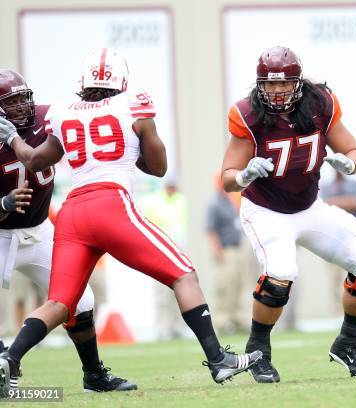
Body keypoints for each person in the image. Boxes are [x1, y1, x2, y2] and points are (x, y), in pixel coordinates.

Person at [0, 49, 261, 397]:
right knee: (183, 273)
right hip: (109, 204)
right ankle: (218, 359)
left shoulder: (61, 112)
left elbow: (33, 159)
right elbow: (159, 167)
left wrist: (12, 138)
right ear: (121, 82)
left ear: (83, 83)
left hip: (71, 214)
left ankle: (11, 358)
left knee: (62, 302)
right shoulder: (133, 105)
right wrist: (135, 140)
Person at [221, 46, 356, 383]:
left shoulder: (319, 104)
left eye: (284, 84)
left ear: (298, 82)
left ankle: (349, 343)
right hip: (265, 210)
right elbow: (227, 177)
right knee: (280, 273)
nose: (277, 91)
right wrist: (244, 175)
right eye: (270, 84)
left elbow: (355, 150)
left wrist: (350, 163)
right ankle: (258, 353)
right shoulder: (249, 115)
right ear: (260, 84)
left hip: (309, 207)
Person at [0, 69, 135, 392]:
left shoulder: (48, 117)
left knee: (82, 300)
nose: (21, 107)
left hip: (38, 228)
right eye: (11, 102)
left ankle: (94, 375)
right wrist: (3, 203)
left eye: (23, 98)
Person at [141, 178, 189, 339]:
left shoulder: (180, 199)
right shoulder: (154, 201)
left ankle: (177, 326)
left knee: (180, 290)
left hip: (178, 249)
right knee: (161, 290)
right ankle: (163, 327)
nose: (172, 189)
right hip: (160, 250)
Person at [205, 173, 253, 332]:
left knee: (239, 284)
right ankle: (222, 321)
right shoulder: (214, 204)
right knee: (225, 286)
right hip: (226, 250)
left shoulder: (231, 201)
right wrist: (217, 251)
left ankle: (238, 319)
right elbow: (210, 231)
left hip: (238, 248)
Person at [321, 170, 356, 315]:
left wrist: (336, 203)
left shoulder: (355, 184)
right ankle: (338, 312)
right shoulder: (326, 187)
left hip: (353, 235)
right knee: (334, 276)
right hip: (333, 237)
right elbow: (323, 205)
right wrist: (345, 202)